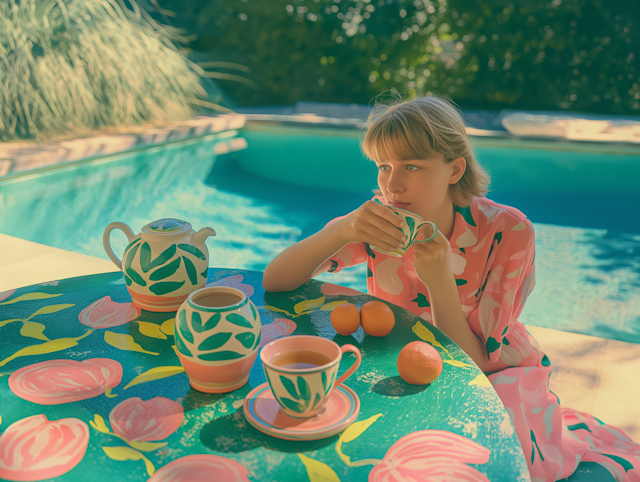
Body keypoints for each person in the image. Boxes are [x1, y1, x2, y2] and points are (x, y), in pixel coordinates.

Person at [262, 94, 640, 481]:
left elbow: (475, 362)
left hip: (493, 370)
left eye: (411, 166)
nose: (392, 184)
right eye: (383, 166)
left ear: (454, 169)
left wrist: (440, 280)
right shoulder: (380, 223)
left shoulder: (507, 232)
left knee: (485, 454)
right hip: (407, 358)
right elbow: (275, 281)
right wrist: (342, 231)